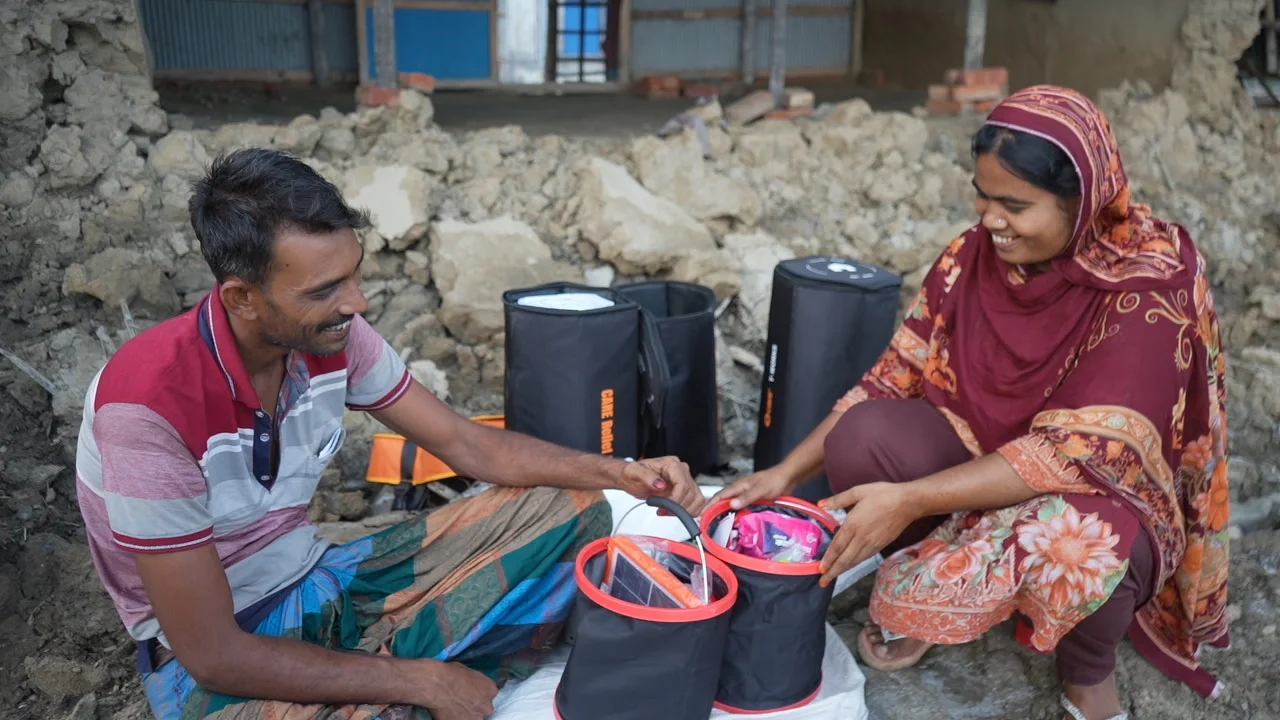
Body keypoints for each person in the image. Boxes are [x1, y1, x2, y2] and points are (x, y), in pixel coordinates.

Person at [74, 147, 707, 720]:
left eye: (354, 274)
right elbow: (213, 652)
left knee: (576, 507)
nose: (358, 303)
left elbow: (468, 445)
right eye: (327, 289)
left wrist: (619, 471)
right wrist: (418, 682)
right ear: (242, 298)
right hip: (213, 657)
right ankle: (420, 669)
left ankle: (402, 669)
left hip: (323, 579)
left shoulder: (331, 336)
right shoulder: (147, 410)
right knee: (409, 700)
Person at [712, 85, 1231, 720]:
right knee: (863, 435)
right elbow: (890, 377)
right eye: (981, 196)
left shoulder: (1150, 285)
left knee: (1090, 540)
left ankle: (1087, 673)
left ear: (1084, 202)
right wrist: (783, 474)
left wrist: (908, 499)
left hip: (1100, 489)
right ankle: (943, 589)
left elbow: (1076, 456)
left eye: (1014, 204)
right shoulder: (974, 257)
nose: (989, 219)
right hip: (984, 457)